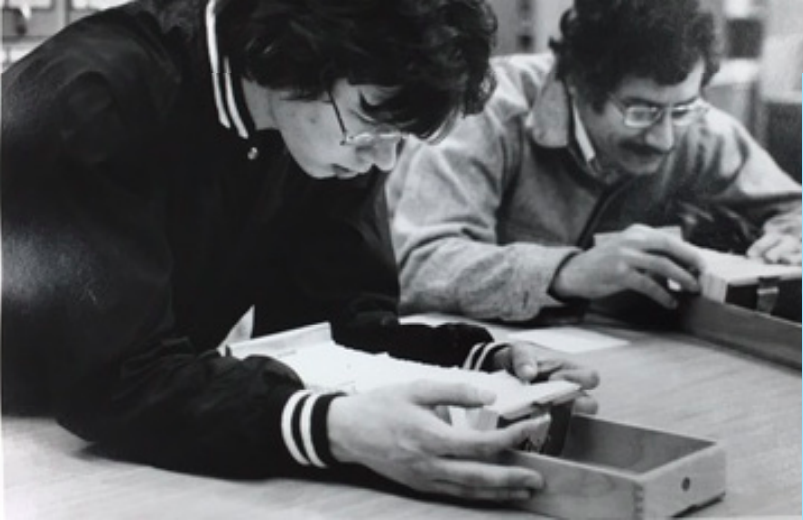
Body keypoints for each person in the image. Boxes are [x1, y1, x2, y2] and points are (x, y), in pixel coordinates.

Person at [1, 0, 600, 502]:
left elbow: (334, 331)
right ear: (302, 53)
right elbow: (115, 383)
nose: (384, 159)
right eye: (374, 121)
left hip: (106, 429)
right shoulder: (95, 96)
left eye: (400, 136)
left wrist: (476, 368)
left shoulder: (329, 123)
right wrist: (333, 427)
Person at [388, 0, 802, 324]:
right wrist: (569, 271)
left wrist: (791, 237)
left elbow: (794, 207)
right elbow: (422, 263)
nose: (666, 137)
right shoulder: (487, 111)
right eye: (641, 112)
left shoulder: (693, 123)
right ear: (579, 85)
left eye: (681, 110)